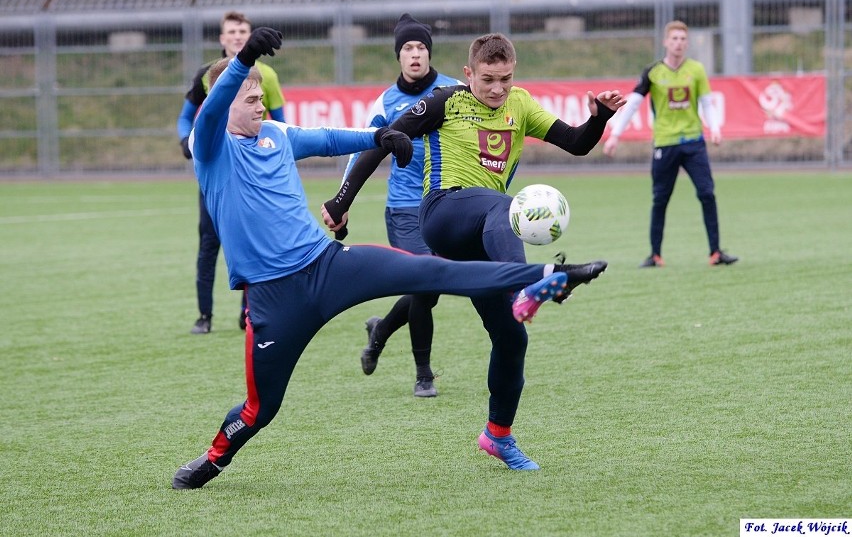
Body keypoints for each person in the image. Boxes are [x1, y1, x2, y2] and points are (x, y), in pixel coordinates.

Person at [172, 27, 608, 488]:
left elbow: (327, 138)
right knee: (262, 409)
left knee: (429, 270)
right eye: (250, 98)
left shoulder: (277, 134)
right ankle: (214, 458)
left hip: (328, 265)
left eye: (262, 95)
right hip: (275, 298)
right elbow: (218, 104)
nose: (261, 105)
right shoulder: (210, 146)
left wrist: (381, 135)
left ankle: (549, 274)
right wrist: (242, 60)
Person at [322, 32, 622, 470]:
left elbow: (576, 142)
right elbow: (381, 140)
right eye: (488, 80)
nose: (498, 89)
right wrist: (341, 202)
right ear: (469, 74)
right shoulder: (446, 101)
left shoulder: (520, 104)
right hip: (443, 212)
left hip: (487, 239)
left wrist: (599, 119)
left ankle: (498, 435)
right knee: (505, 205)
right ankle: (533, 282)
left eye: (505, 78)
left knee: (511, 336)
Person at [343, 14, 462, 398]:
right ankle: (424, 373)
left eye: (421, 48)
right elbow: (361, 149)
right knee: (424, 282)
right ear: (398, 56)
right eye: (408, 48)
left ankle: (380, 329)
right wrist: (344, 199)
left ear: (429, 53)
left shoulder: (455, 90)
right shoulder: (385, 102)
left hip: (447, 203)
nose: (415, 54)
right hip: (405, 209)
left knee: (430, 289)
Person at [176, 10, 286, 334]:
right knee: (209, 242)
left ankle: (248, 312)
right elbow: (185, 117)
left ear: (251, 36)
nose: (238, 37)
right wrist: (186, 139)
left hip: (252, 173)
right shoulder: (207, 74)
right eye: (232, 32)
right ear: (222, 38)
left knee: (250, 240)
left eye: (243, 32)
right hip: (217, 174)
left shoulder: (267, 74)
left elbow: (280, 122)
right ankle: (204, 316)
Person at [602, 20, 738, 268]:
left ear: (687, 43)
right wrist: (615, 135)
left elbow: (707, 102)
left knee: (707, 193)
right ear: (666, 42)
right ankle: (655, 255)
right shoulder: (653, 72)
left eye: (683, 39)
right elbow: (632, 104)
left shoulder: (696, 70)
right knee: (660, 199)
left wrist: (715, 128)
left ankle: (716, 252)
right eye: (674, 39)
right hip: (665, 144)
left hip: (694, 143)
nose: (678, 43)